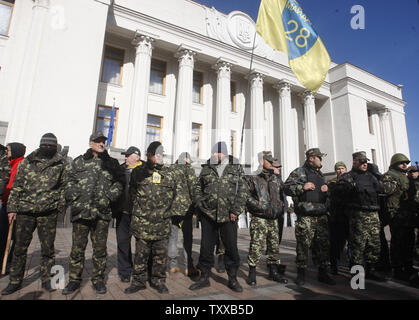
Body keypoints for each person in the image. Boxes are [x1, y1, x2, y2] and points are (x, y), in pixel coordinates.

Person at [1, 133, 70, 295]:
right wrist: (12, 208)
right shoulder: (27, 162)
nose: (47, 148)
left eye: (50, 146)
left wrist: (60, 206)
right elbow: (17, 185)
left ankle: (47, 279)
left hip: (48, 213)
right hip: (25, 211)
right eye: (45, 145)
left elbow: (65, 187)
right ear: (40, 145)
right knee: (19, 247)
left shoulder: (61, 163)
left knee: (47, 249)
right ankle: (15, 281)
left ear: (55, 147)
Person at [62, 132, 124, 295]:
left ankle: (98, 280)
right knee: (77, 248)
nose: (101, 144)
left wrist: (110, 196)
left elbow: (120, 181)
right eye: (97, 141)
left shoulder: (112, 163)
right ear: (90, 143)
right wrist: (74, 197)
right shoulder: (79, 161)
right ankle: (74, 280)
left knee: (100, 249)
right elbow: (68, 181)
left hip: (102, 213)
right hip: (81, 212)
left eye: (103, 141)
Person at [124, 142, 188, 294]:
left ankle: (158, 281)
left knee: (160, 257)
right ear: (148, 155)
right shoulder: (138, 172)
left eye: (161, 153)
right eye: (155, 154)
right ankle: (138, 281)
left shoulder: (170, 173)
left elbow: (179, 196)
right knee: (140, 256)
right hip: (143, 224)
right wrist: (138, 213)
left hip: (162, 223)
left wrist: (171, 215)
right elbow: (132, 194)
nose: (159, 156)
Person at [189, 141, 247, 292]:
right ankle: (204, 277)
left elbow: (243, 190)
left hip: (229, 216)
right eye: (213, 152)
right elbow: (197, 187)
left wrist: (236, 210)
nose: (214, 155)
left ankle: (232, 279)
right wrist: (200, 204)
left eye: (217, 153)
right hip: (208, 215)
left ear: (224, 153)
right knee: (206, 248)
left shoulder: (236, 168)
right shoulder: (207, 168)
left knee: (231, 248)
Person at [284, 148, 335, 286]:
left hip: (321, 216)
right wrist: (303, 187)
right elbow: (286, 187)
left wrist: (326, 192)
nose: (321, 160)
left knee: (323, 246)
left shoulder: (320, 175)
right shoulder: (300, 172)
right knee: (303, 246)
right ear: (311, 158)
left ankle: (323, 273)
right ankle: (301, 274)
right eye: (319, 157)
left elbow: (323, 196)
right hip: (306, 216)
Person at [336, 152, 385, 282]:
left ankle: (371, 270)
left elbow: (380, 190)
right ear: (354, 162)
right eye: (362, 162)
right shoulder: (347, 177)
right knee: (358, 245)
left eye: (366, 162)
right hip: (358, 215)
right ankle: (356, 274)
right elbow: (339, 195)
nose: (365, 164)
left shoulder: (371, 177)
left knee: (374, 244)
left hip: (373, 213)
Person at [245, 151, 288, 286]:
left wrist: (281, 206)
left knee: (274, 246)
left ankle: (273, 272)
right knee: (256, 245)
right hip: (260, 218)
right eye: (268, 161)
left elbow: (284, 193)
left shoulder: (276, 179)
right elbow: (246, 196)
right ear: (261, 161)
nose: (272, 163)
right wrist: (258, 206)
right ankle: (252, 273)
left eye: (272, 161)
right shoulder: (254, 178)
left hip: (274, 218)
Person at [382, 153, 416, 282]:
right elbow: (386, 190)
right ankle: (397, 269)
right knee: (397, 241)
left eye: (406, 163)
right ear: (395, 163)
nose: (405, 165)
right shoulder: (389, 176)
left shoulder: (406, 177)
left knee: (409, 241)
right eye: (402, 163)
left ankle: (408, 266)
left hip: (408, 213)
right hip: (396, 213)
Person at [112, 146, 143, 283]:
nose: (125, 158)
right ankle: (125, 271)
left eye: (128, 155)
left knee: (142, 244)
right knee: (123, 242)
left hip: (140, 215)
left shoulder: (146, 170)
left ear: (136, 156)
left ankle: (141, 270)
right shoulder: (120, 169)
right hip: (122, 213)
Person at [167, 152, 199, 278]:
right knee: (187, 239)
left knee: (172, 237)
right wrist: (197, 206)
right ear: (186, 159)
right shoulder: (188, 169)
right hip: (186, 210)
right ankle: (188, 266)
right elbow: (193, 188)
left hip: (172, 209)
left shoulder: (170, 169)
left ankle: (172, 265)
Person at [0, 143, 26, 274]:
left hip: (15, 207)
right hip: (5, 204)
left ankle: (9, 263)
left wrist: (13, 206)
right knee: (3, 236)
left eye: (8, 150)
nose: (6, 152)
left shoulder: (21, 165)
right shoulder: (9, 163)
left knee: (15, 237)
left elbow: (14, 187)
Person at [327, 161, 349, 275]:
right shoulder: (331, 183)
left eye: (342, 168)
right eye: (338, 169)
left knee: (352, 244)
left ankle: (353, 266)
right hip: (336, 217)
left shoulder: (351, 180)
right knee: (336, 244)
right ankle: (334, 266)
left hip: (350, 217)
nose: (340, 171)